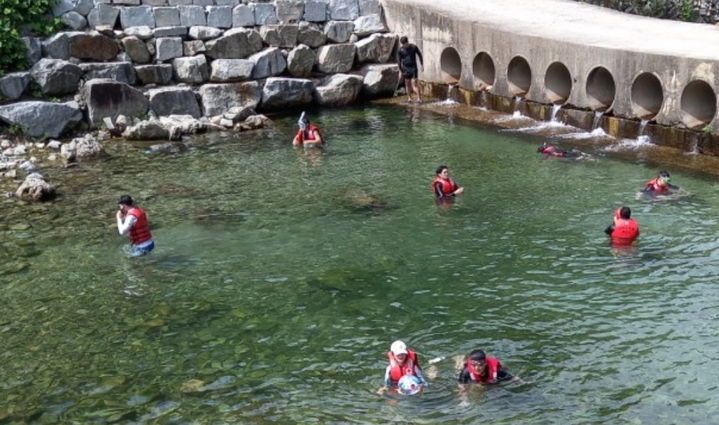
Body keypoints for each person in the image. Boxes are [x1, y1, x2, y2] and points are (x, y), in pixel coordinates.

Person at [397, 36, 424, 103]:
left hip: (413, 68)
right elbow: (399, 61)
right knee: (407, 84)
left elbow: (420, 54)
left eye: (405, 44)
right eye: (403, 44)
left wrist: (422, 65)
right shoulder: (400, 50)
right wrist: (400, 70)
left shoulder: (413, 47)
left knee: (414, 84)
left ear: (407, 42)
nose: (404, 46)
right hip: (405, 69)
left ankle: (419, 99)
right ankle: (409, 98)